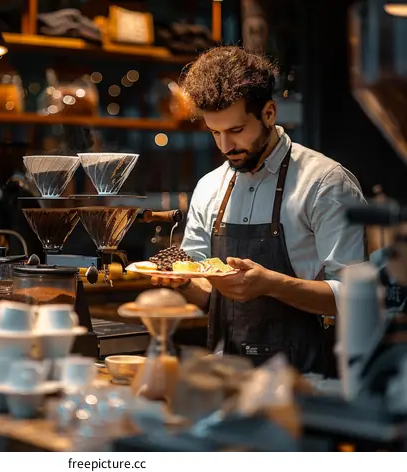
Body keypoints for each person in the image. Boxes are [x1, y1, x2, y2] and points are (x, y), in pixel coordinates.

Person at [155, 46, 367, 375]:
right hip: (227, 377)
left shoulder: (325, 183)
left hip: (306, 382)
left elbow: (356, 298)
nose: (226, 147)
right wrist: (182, 282)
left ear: (269, 113)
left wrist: (271, 284)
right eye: (215, 133)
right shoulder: (209, 188)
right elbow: (208, 296)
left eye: (236, 131)